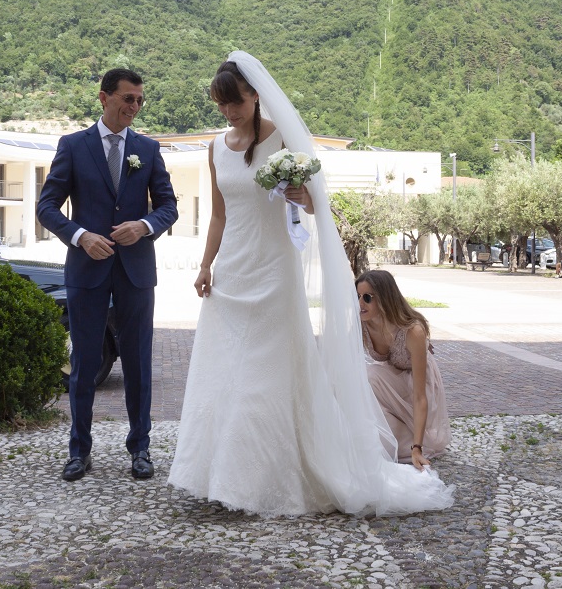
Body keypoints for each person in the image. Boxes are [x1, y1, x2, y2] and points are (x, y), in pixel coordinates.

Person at [168, 51, 454, 517]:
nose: (229, 113)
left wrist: (302, 195)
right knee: (223, 371)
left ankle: (259, 482)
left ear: (255, 95)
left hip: (274, 271)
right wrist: (205, 265)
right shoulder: (216, 147)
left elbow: (318, 208)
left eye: (235, 103)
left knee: (264, 378)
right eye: (221, 106)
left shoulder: (285, 140)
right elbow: (219, 214)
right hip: (233, 271)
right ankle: (219, 475)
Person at [37, 68, 178, 482]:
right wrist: (79, 236)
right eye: (127, 99)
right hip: (87, 270)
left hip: (136, 271)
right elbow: (47, 207)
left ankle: (141, 449)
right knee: (82, 362)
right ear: (104, 98)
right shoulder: (73, 146)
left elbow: (168, 206)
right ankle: (79, 451)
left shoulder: (148, 150)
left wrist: (145, 226)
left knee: (138, 362)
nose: (134, 107)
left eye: (140, 100)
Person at [355, 270, 451, 470]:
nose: (360, 304)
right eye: (356, 296)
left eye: (367, 298)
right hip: (393, 377)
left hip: (418, 384)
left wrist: (416, 448)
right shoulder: (361, 323)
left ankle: (414, 442)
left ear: (384, 298)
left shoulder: (412, 331)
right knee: (366, 380)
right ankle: (395, 435)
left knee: (370, 375)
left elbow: (420, 396)